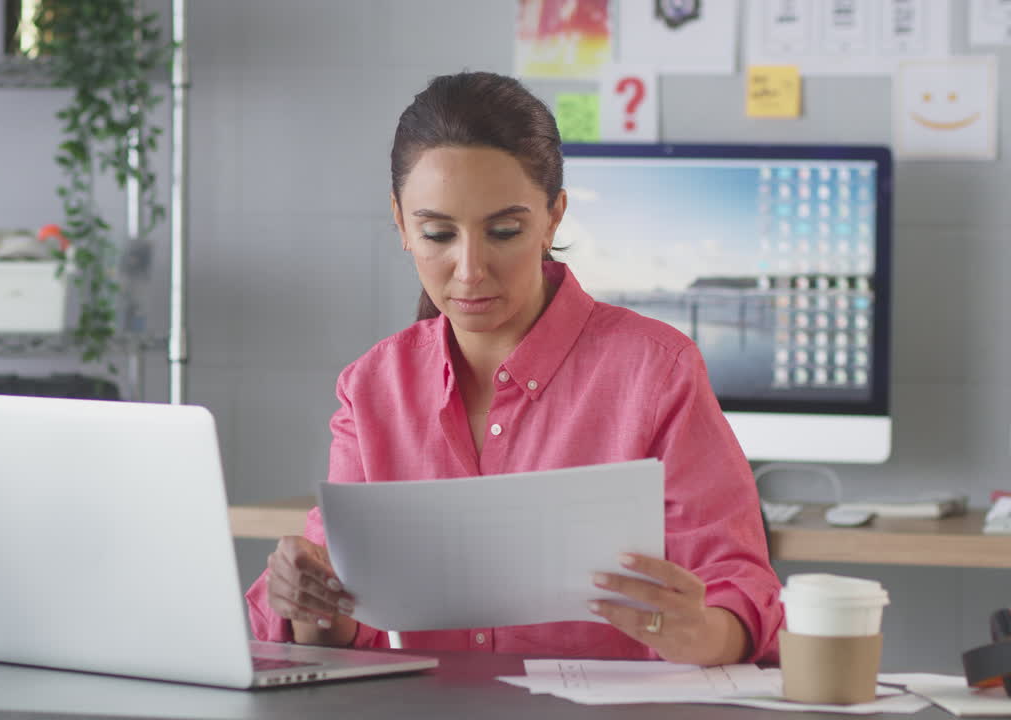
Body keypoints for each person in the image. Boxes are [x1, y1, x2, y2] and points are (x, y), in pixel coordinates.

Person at [244, 71, 783, 665]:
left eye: (504, 231)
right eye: (437, 233)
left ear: (553, 218)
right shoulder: (371, 389)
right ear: (400, 224)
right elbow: (347, 628)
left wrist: (701, 631)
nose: (470, 269)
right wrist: (309, 603)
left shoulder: (657, 372)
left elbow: (743, 591)